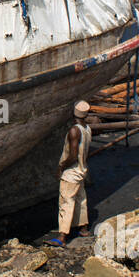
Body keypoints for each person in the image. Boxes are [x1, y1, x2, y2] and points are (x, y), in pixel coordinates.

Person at [53, 101, 93, 244]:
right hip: (81, 170)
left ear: (72, 113)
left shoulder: (74, 131)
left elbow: (73, 154)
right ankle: (83, 229)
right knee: (80, 200)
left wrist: (61, 167)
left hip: (71, 172)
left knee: (66, 202)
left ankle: (62, 237)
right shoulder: (87, 129)